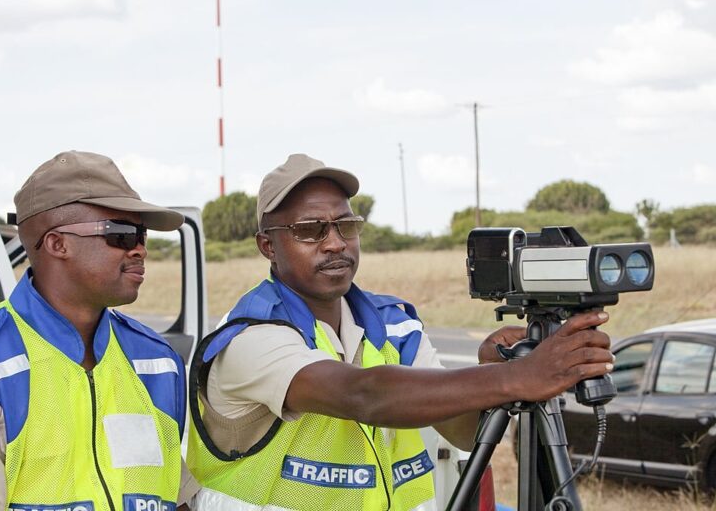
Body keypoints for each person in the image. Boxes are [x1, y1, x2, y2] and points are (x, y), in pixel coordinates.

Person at [186, 153, 614, 511]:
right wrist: (517, 377)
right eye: (309, 230)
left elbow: (461, 430)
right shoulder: (250, 336)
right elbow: (364, 395)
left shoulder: (394, 323)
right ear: (267, 246)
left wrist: (490, 372)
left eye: (345, 225)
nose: (334, 243)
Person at [0, 151, 199, 510]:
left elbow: (174, 498)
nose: (141, 250)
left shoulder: (157, 361)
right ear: (57, 244)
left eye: (142, 235)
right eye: (123, 235)